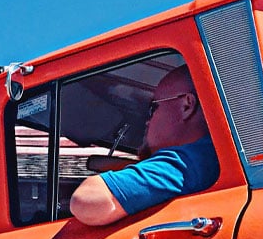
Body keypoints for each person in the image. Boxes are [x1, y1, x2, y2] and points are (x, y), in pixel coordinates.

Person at [69, 65, 218, 226]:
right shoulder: (214, 157)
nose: (147, 121)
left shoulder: (191, 161)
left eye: (152, 108)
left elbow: (88, 200)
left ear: (186, 106)